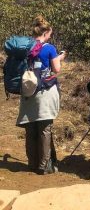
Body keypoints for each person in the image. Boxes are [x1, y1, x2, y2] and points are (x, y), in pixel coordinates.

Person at [16, 15, 66, 174]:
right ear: (45, 32)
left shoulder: (26, 47)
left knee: (30, 129)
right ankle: (44, 166)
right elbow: (56, 70)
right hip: (44, 91)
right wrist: (61, 57)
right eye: (50, 33)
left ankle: (32, 163)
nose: (50, 35)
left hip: (28, 90)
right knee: (45, 129)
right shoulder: (49, 48)